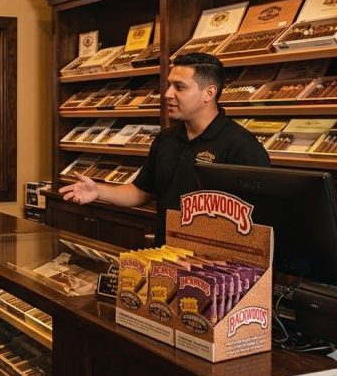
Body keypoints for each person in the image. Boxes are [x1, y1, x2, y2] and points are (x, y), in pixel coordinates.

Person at [59, 52, 270, 244]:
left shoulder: (243, 148)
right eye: (169, 85)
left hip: (212, 269)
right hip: (165, 257)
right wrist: (98, 191)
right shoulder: (166, 138)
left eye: (179, 87)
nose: (167, 94)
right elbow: (141, 191)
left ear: (209, 93)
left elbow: (255, 227)